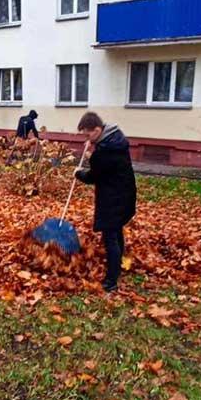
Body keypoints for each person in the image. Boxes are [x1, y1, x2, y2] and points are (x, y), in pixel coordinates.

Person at [74, 112, 137, 293]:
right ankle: (117, 266)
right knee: (117, 231)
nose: (86, 138)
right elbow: (104, 166)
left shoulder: (104, 153)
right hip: (124, 192)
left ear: (97, 129)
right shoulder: (115, 139)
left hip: (113, 197)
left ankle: (111, 282)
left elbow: (93, 176)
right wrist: (92, 153)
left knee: (110, 237)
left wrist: (78, 172)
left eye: (88, 135)